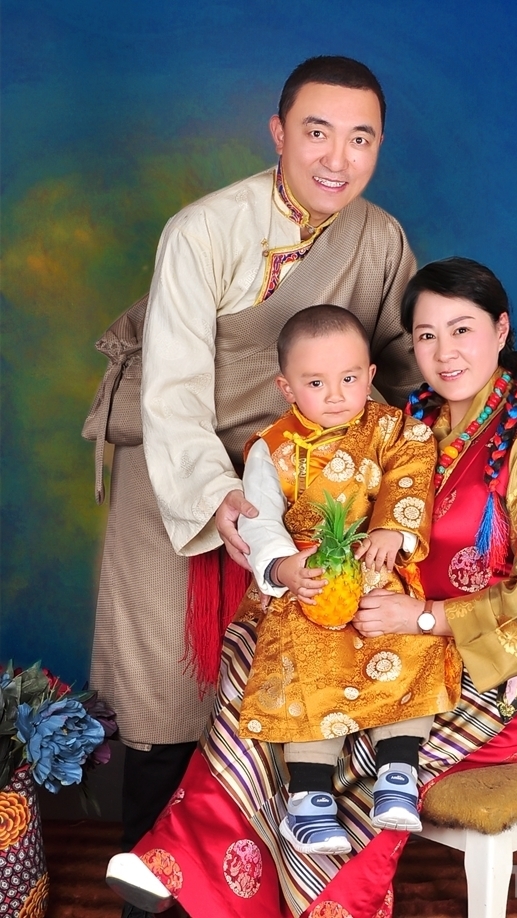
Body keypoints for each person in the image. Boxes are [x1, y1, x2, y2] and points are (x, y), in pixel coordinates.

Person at [105, 256, 517, 918]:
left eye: (462, 330)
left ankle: (267, 888)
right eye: (426, 335)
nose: (444, 353)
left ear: (501, 329)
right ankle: (189, 863)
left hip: (504, 665)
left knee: (348, 731)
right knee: (268, 664)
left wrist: (421, 617)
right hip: (382, 624)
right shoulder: (408, 422)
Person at [84, 54, 421, 901]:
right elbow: (170, 394)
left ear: (380, 145)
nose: (337, 159)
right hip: (182, 474)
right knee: (168, 695)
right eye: (317, 132)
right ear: (278, 133)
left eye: (360, 138)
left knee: (288, 695)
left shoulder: (379, 239)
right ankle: (153, 891)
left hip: (309, 493)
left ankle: (255, 894)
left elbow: (413, 365)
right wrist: (223, 498)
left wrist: (516, 405)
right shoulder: (202, 231)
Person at [235, 304, 462, 856]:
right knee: (307, 660)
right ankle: (308, 800)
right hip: (311, 579)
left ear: (370, 374)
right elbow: (258, 519)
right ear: (287, 387)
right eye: (316, 383)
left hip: (376, 571)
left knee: (406, 643)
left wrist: (392, 530)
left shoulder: (393, 429)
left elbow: (412, 470)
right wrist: (283, 567)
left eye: (349, 379)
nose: (336, 395)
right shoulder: (272, 447)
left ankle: (398, 772)